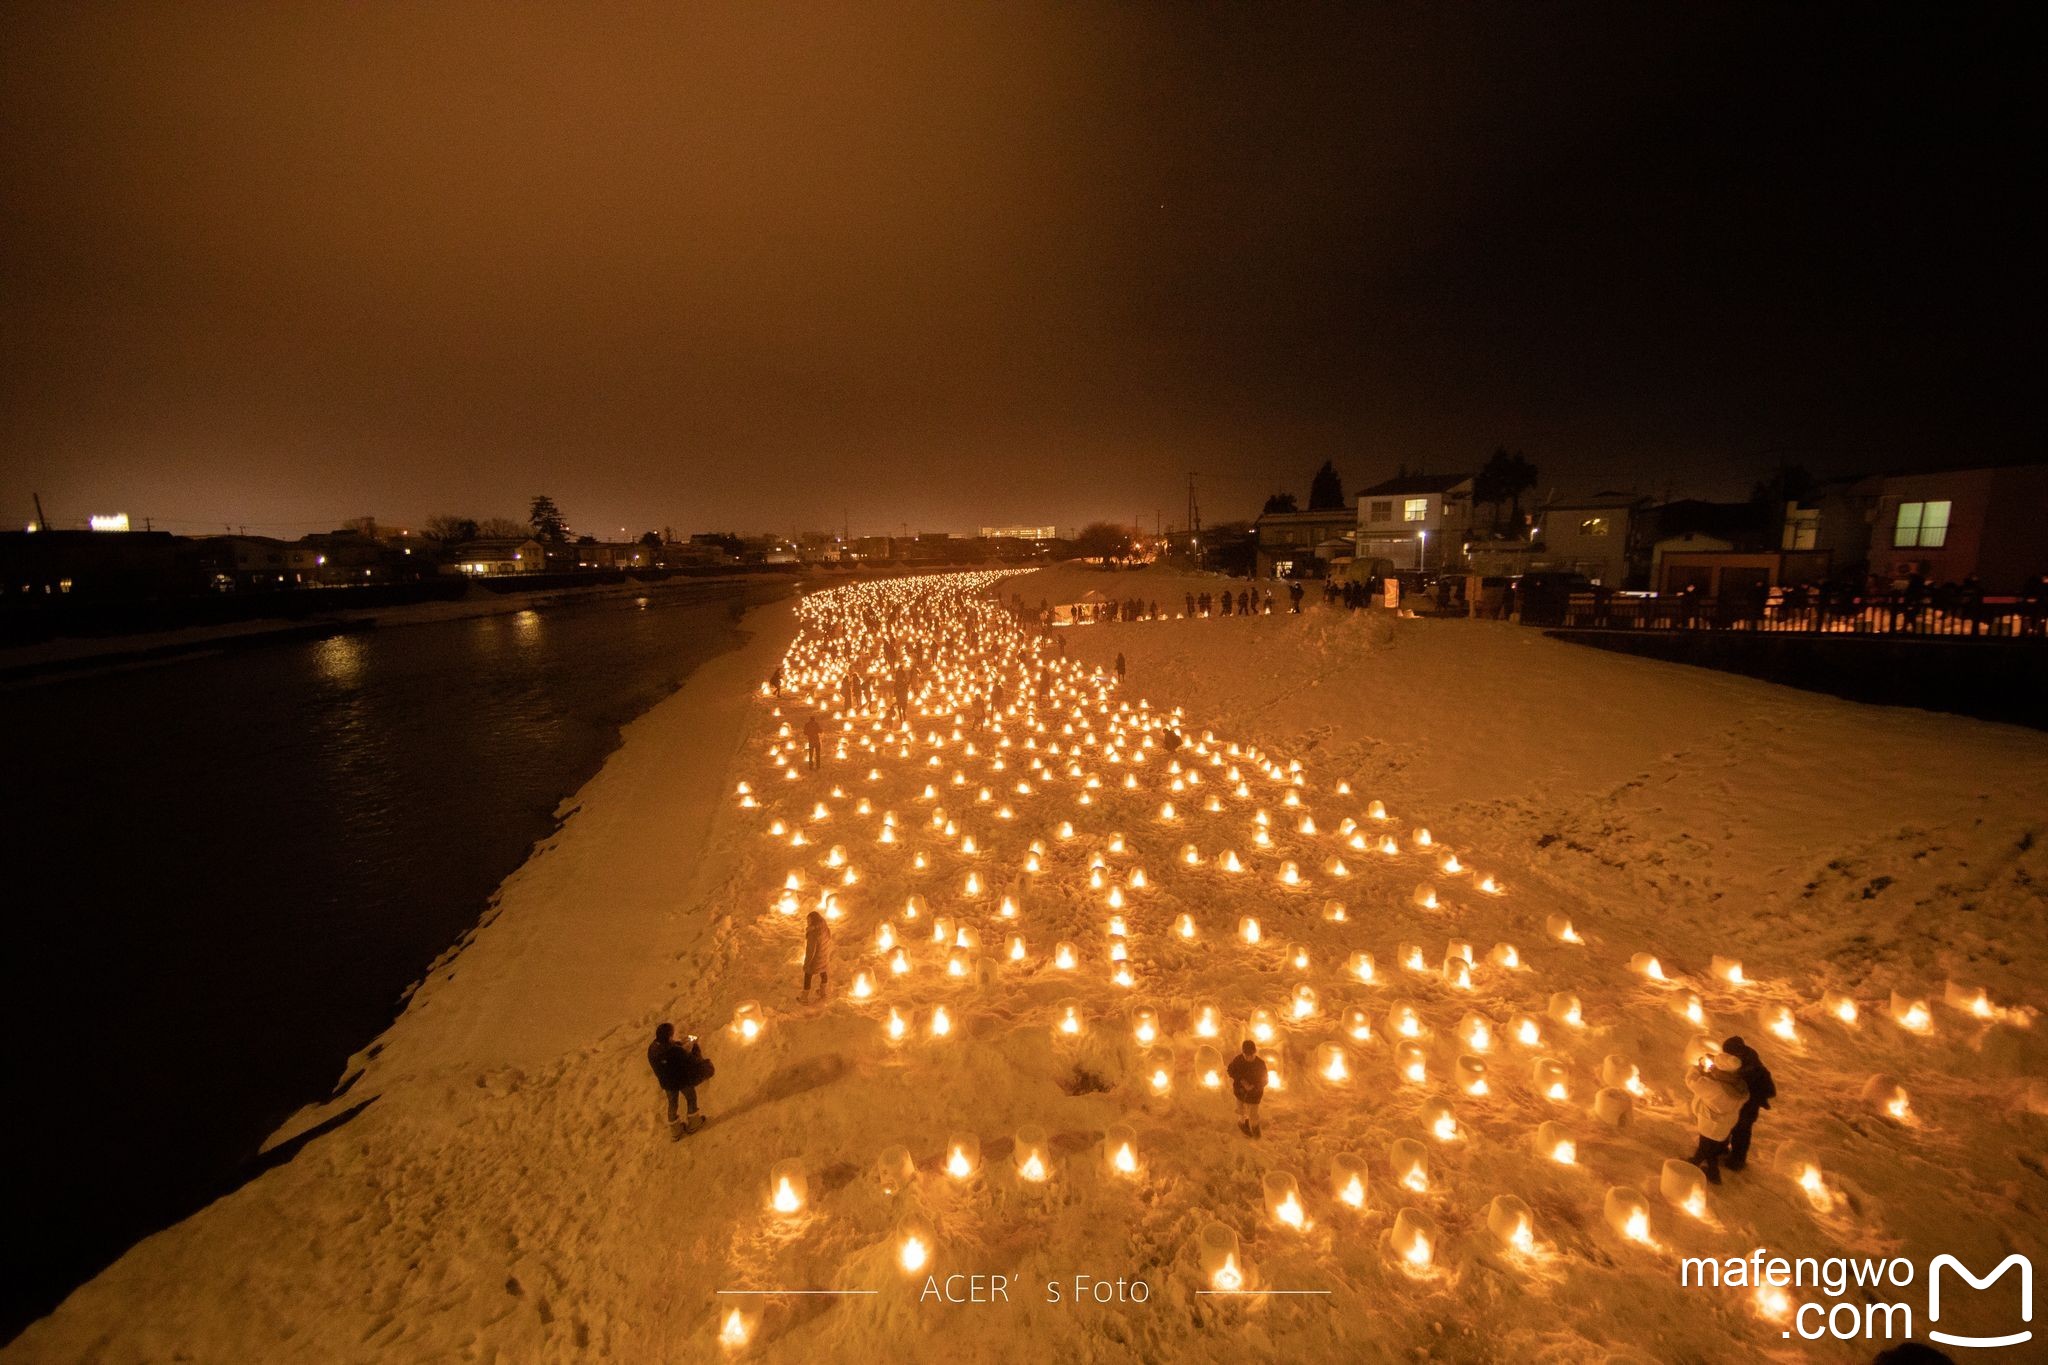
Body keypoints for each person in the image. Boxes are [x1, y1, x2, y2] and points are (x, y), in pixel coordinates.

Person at [1683, 1050, 1748, 1183]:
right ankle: (1696, 1162)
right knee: (1710, 1147)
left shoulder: (1714, 1087)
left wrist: (1697, 1068)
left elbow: (1692, 1081)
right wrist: (1713, 1072)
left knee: (1706, 1148)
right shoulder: (1739, 1085)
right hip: (1725, 1124)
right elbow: (1722, 1078)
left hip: (1711, 1123)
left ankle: (1712, 1174)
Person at [1719, 1035, 1775, 1171]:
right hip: (1745, 1101)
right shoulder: (1747, 1055)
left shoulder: (1749, 1066)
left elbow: (1741, 1079)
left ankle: (1737, 1160)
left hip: (1749, 1103)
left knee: (1741, 1131)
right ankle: (1724, 1149)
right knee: (1732, 1125)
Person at [647, 1022, 715, 1129]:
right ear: (669, 1036)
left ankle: (675, 1130)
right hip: (682, 1080)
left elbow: (668, 1052)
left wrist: (678, 1044)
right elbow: (693, 1060)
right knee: (691, 1098)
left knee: (672, 1104)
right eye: (672, 1035)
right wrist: (694, 1047)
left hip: (667, 1083)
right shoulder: (675, 1051)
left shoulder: (652, 1049)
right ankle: (694, 1123)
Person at [1227, 1040, 1268, 1137]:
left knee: (1253, 1113)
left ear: (1255, 1052)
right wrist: (1241, 1080)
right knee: (1241, 1109)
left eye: (1251, 1055)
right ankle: (1242, 1123)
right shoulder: (1238, 1060)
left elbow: (1265, 1080)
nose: (1249, 1058)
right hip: (1240, 1092)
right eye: (1246, 1055)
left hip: (1255, 1094)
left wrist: (1254, 1087)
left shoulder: (1260, 1064)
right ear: (1243, 1053)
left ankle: (1255, 1128)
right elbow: (1230, 1070)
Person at [802, 909, 833, 1000]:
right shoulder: (825, 928)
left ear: (813, 921)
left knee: (808, 975)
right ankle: (823, 992)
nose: (808, 923)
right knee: (823, 972)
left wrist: (807, 963)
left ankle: (804, 997)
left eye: (809, 921)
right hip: (823, 956)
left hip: (815, 959)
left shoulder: (813, 934)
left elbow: (811, 951)